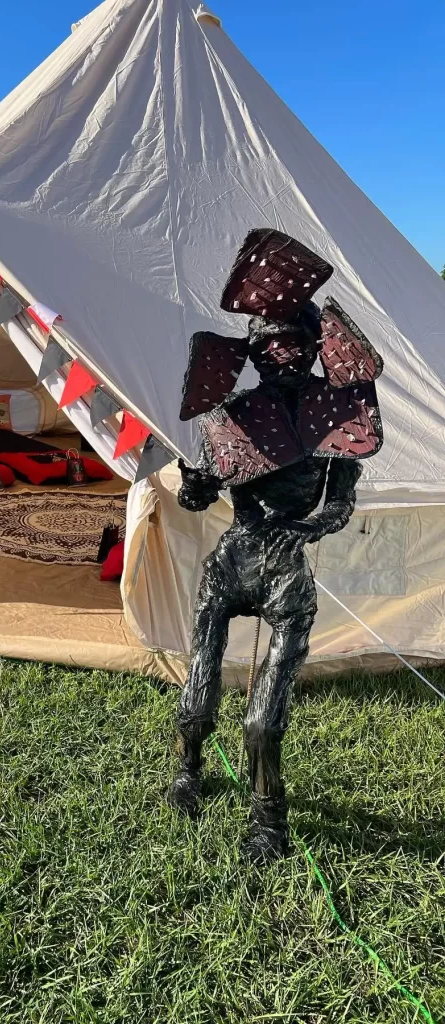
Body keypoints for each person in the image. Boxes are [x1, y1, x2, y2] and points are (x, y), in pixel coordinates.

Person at [170, 229, 384, 862]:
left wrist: (306, 528)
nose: (281, 356)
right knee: (199, 692)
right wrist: (195, 484)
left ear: (314, 347)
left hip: (287, 572)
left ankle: (270, 819)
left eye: (293, 345)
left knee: (264, 718)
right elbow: (199, 498)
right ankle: (187, 766)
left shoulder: (342, 412)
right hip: (233, 560)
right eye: (268, 346)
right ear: (253, 353)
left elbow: (340, 501)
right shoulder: (230, 417)